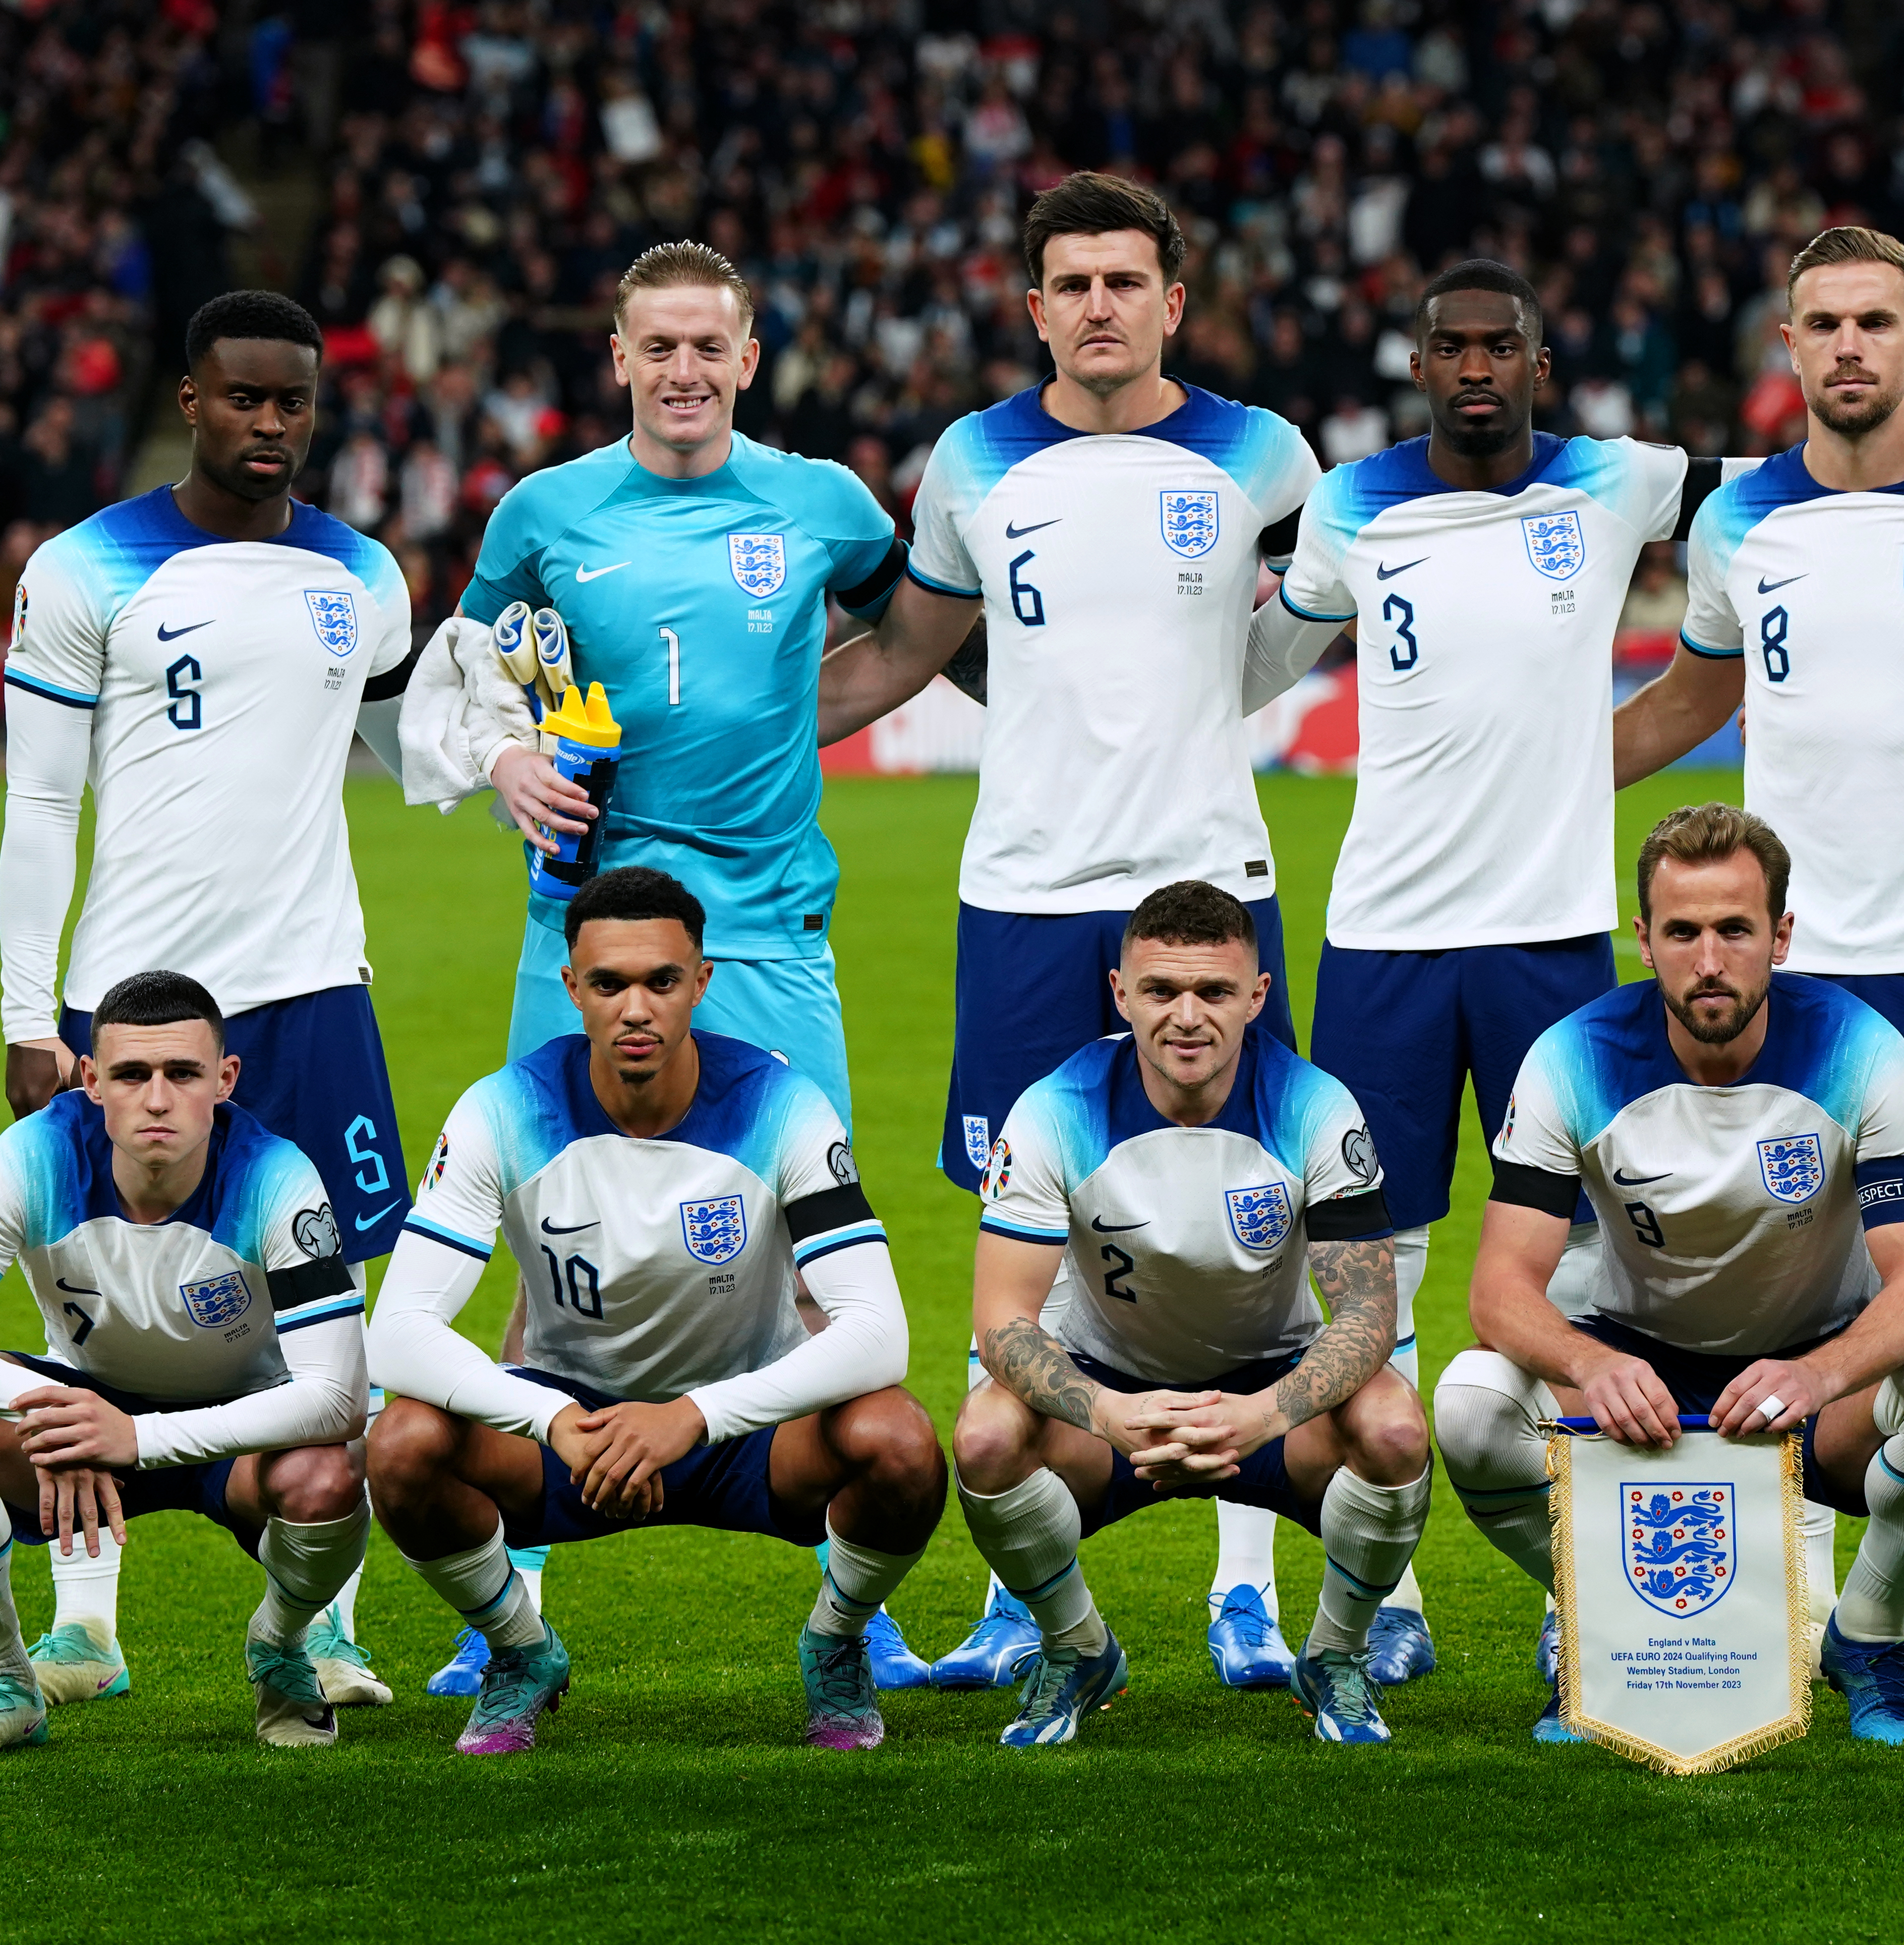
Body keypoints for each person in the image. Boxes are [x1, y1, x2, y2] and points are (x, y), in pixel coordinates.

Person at [1248, 253, 1904, 1686]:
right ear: (1416, 365)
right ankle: (1387, 1583)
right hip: (1382, 927)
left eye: (1504, 346)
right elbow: (1254, 654)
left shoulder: (1623, 479)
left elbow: (1821, 462)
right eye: (1451, 347)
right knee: (1370, 1259)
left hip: (1554, 926)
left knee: (1603, 1240)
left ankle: (1593, 1582)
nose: (1477, 368)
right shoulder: (1351, 504)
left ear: (1543, 367)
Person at [815, 172, 1328, 1690]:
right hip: (1027, 896)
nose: (1099, 304)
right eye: (1071, 283)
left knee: (1259, 1224)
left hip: (1209, 881)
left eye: (1127, 279)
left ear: (1175, 299)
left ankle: (1246, 1583)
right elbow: (908, 649)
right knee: (1023, 1246)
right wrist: (727, 734)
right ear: (1034, 308)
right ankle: (1021, 1589)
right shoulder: (973, 457)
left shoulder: (1263, 452)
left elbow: (1307, 615)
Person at [408, 240, 924, 1684]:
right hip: (581, 936)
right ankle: (514, 1589)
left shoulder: (823, 503)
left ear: (750, 361)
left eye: (712, 348)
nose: (686, 372)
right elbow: (469, 663)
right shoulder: (544, 510)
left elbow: (912, 634)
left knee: (819, 1259)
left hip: (767, 928)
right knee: (537, 1244)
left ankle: (854, 1607)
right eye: (660, 349)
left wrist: (801, 728)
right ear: (620, 360)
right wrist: (507, 755)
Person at [1614, 226, 1904, 1698]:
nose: (1852, 346)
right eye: (1825, 323)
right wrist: (1533, 773)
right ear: (1790, 350)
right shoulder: (1741, 522)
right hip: (1789, 961)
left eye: (1879, 319)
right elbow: (1696, 689)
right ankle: (1797, 1573)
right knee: (1791, 1258)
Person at [0, 290, 415, 1715]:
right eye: (243, 397)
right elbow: (42, 802)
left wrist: (513, 741)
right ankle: (83, 1622)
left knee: (332, 1315)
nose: (271, 423)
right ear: (190, 398)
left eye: (293, 399)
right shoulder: (85, 567)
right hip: (131, 1005)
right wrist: (24, 1014)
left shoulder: (364, 575)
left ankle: (324, 1625)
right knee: (95, 1303)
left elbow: (410, 749)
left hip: (313, 991)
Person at [1434, 805, 1904, 1746]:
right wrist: (1591, 1367)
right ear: (1644, 941)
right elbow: (1499, 1287)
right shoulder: (1570, 1057)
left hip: (1816, 1379)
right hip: (1638, 1379)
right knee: (1466, 1404)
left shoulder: (1862, 1048)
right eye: (1683, 933)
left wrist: (1819, 1375)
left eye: (1736, 930)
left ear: (1780, 936)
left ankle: (1866, 1633)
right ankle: (1597, 1624)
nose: (1709, 960)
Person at [363, 868, 944, 1755]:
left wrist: (692, 1417)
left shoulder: (781, 1103)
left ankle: (837, 1642)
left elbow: (878, 1332)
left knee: (901, 1444)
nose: (636, 1009)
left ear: (701, 982)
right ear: (572, 989)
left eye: (662, 982)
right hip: (576, 1427)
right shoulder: (503, 1109)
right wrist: (552, 1417)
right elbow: (397, 1334)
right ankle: (520, 1651)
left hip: (747, 1426)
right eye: (609, 984)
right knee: (401, 1447)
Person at [955, 882, 1426, 1745]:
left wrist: (1264, 1414)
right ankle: (1077, 1650)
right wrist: (1108, 1412)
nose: (1187, 1017)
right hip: (1111, 1399)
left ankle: (1335, 1657)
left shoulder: (1316, 1108)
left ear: (1257, 996)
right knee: (986, 1435)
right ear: (1121, 993)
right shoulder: (1055, 1109)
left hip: (1267, 1392)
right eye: (1162, 991)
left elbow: (1367, 1313)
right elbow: (1004, 1321)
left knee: (1396, 1429)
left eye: (1214, 992)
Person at [0, 971, 370, 1762]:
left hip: (241, 1425)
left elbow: (339, 1399)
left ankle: (282, 1648)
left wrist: (135, 1437)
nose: (158, 1099)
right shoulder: (37, 1152)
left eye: (183, 1073)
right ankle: (6, 1684)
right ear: (92, 1081)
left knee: (329, 1477)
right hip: (88, 1410)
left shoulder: (277, 1176)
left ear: (225, 1080)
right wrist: (52, 1408)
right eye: (133, 1075)